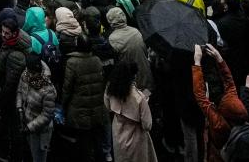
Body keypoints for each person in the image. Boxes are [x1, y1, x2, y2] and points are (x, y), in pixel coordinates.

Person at [192, 44, 248, 162]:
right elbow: (229, 81)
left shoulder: (219, 124)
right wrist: (219, 58)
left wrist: (197, 61)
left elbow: (200, 96)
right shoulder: (239, 111)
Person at [61, 34, 108, 162]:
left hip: (79, 108)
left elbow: (67, 88)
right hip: (96, 106)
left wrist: (63, 105)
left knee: (84, 141)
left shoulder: (72, 62)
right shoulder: (97, 60)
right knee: (96, 137)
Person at [104, 57, 156, 162]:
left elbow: (108, 107)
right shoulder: (140, 98)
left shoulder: (110, 89)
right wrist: (145, 100)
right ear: (133, 75)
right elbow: (147, 125)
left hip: (118, 130)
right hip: (136, 136)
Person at [17, 52, 59, 162]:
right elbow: (20, 91)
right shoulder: (26, 74)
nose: (29, 75)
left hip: (40, 130)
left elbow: (47, 115)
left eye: (32, 73)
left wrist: (30, 127)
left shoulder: (47, 89)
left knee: (39, 157)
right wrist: (20, 109)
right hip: (26, 122)